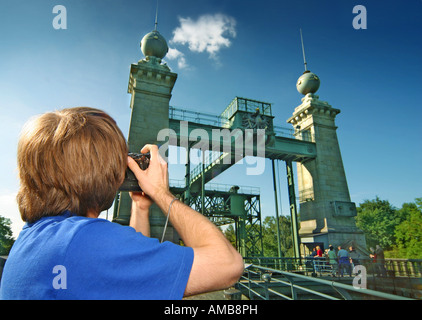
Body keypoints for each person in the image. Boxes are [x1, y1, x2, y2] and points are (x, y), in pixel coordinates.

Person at [0, 107, 244, 300]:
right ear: (105, 173)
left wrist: (140, 206)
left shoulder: (34, 237)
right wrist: (162, 194)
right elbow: (227, 265)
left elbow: (130, 270)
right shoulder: (84, 241)